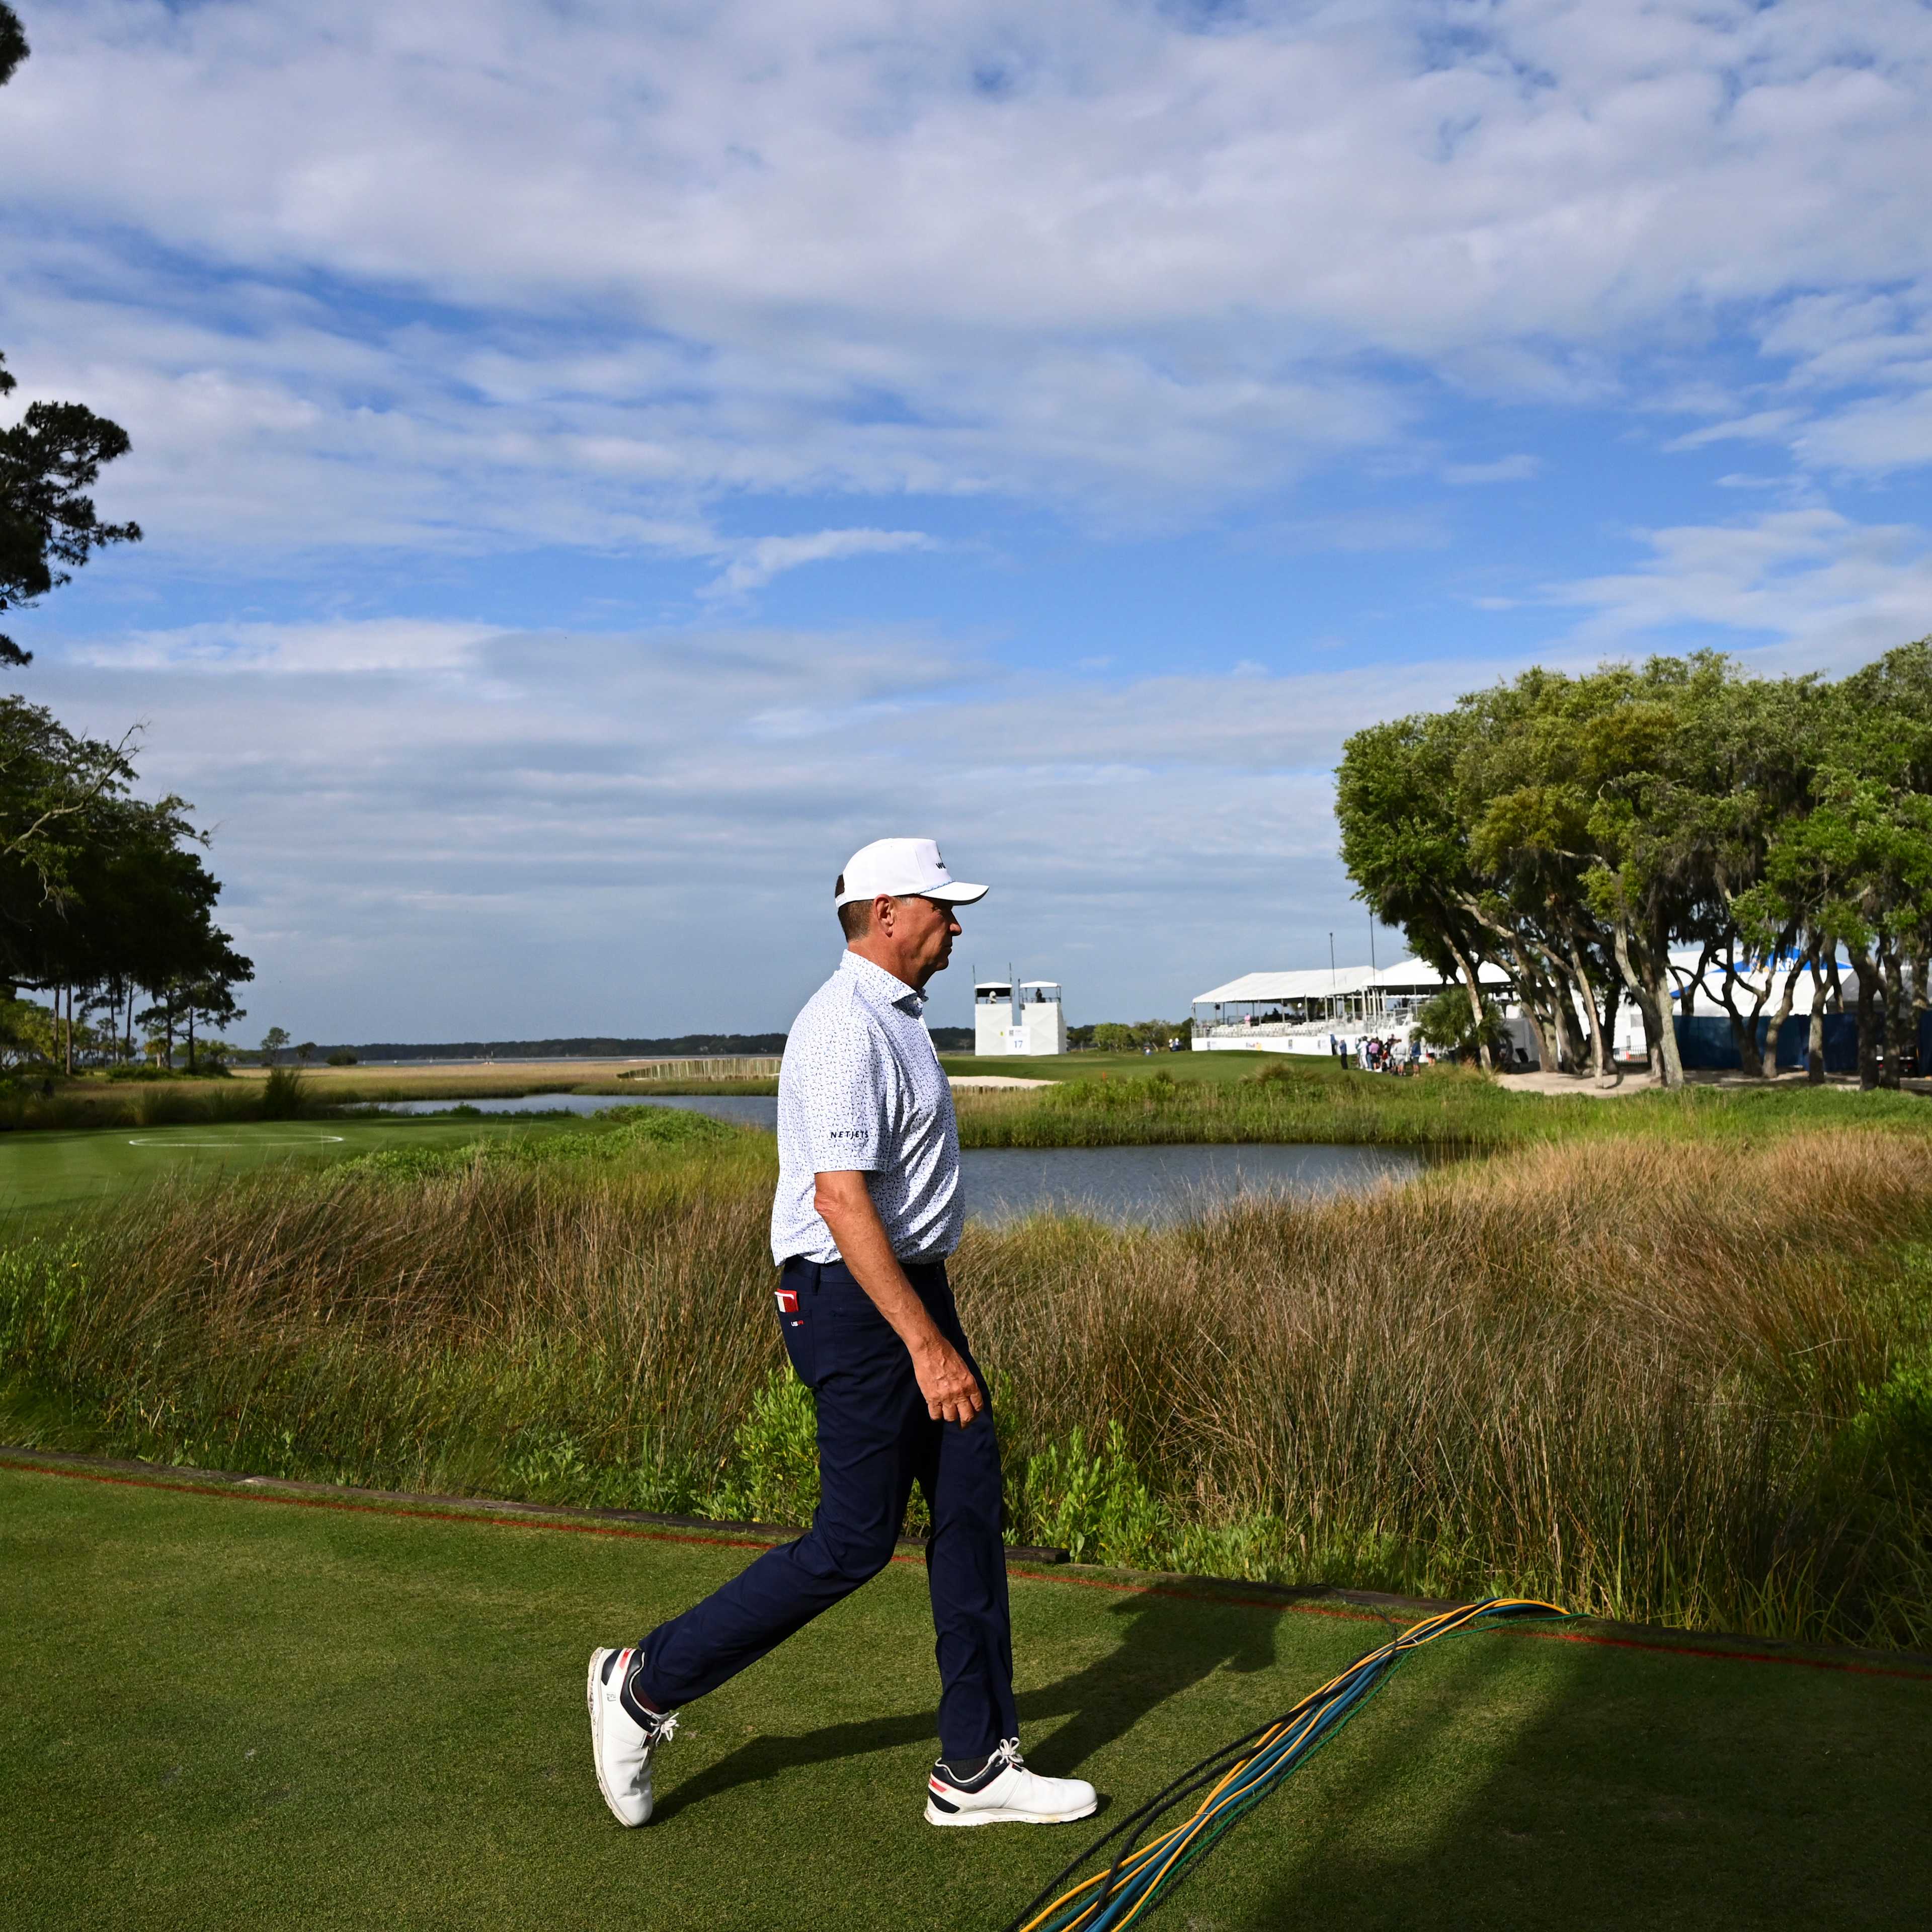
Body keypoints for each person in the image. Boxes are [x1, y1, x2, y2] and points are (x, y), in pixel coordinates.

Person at [588, 837, 1098, 1833]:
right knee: (853, 1541)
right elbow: (840, 1201)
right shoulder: (842, 1030)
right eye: (944, 909)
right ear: (891, 911)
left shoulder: (894, 1020)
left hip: (905, 1290)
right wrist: (927, 1345)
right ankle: (644, 1683)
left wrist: (931, 1325)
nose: (958, 926)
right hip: (852, 1300)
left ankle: (975, 1765)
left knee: (967, 1497)